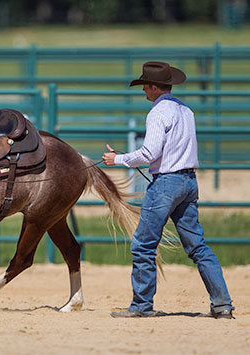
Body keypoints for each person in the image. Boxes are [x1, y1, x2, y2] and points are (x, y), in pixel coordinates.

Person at [102, 61, 235, 319]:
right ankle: (222, 304)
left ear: (154, 87)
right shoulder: (185, 110)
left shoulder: (158, 113)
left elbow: (150, 153)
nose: (143, 92)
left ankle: (141, 306)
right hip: (188, 182)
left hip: (166, 185)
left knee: (143, 245)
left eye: (145, 87)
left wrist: (116, 160)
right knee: (198, 247)